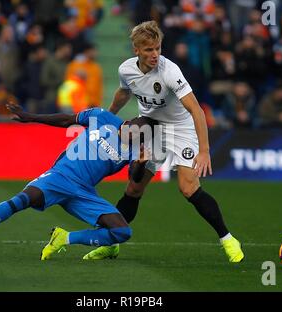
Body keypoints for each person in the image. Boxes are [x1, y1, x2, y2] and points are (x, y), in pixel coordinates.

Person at [85, 21, 244, 262]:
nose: (155, 54)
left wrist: (204, 151)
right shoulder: (126, 70)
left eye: (158, 48)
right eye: (149, 49)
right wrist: (107, 118)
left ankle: (228, 239)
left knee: (188, 188)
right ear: (136, 50)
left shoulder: (170, 71)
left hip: (181, 128)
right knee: (134, 188)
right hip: (152, 127)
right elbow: (123, 93)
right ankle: (111, 242)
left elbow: (197, 111)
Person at [0, 103, 158, 263]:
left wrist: (140, 163)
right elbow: (67, 120)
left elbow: (135, 177)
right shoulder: (101, 117)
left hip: (84, 193)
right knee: (21, 200)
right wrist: (31, 117)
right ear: (128, 123)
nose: (130, 139)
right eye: (131, 133)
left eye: (137, 139)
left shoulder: (133, 151)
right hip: (59, 177)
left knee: (122, 232)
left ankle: (65, 238)